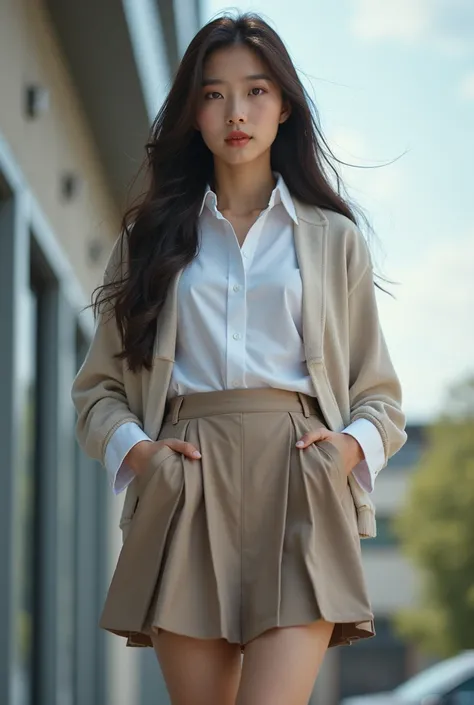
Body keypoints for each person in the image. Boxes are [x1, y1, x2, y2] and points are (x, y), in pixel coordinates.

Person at [71, 12, 407, 705]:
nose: (236, 112)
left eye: (256, 91)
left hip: (301, 484)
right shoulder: (150, 238)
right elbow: (97, 391)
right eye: (214, 93)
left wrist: (343, 450)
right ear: (193, 112)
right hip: (186, 487)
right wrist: (142, 456)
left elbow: (382, 398)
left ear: (284, 105)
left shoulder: (334, 240)